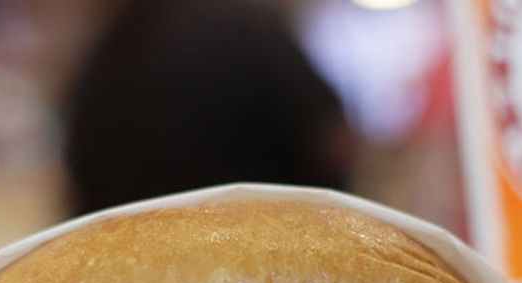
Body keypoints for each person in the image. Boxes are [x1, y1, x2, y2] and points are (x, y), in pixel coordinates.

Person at [62, 0, 354, 215]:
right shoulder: (252, 28)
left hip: (131, 267)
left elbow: (76, 178)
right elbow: (334, 145)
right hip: (269, 257)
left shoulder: (105, 50)